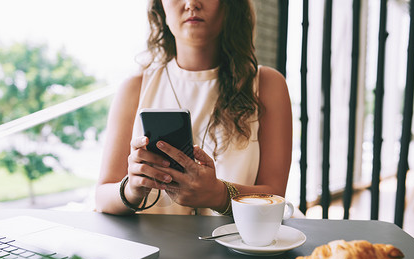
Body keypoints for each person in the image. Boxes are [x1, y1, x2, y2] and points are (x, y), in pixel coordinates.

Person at [95, 0, 292, 216]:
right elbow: (103, 196)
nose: (191, 3)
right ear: (160, 6)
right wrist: (132, 189)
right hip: (151, 247)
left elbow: (275, 196)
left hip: (234, 247)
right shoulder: (135, 87)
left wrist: (219, 194)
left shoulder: (266, 85)